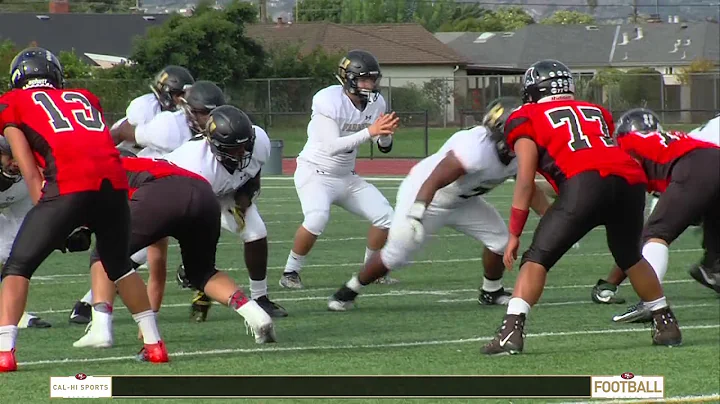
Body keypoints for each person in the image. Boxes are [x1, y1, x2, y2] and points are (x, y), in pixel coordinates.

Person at [480, 59, 682, 356]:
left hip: (585, 182)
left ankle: (510, 332)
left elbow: (525, 180)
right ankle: (666, 323)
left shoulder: (525, 116)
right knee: (630, 256)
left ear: (533, 90)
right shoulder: (595, 110)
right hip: (630, 181)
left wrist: (514, 233)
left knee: (536, 258)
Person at [0, 47, 167, 372]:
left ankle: (5, 351)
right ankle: (154, 344)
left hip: (68, 184)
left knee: (17, 266)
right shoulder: (85, 97)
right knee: (119, 265)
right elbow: (94, 144)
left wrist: (59, 221)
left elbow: (31, 172)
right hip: (115, 184)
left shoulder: (12, 103)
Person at [328, 97, 554, 310]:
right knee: (395, 254)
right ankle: (349, 291)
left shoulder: (522, 152)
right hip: (427, 194)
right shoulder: (476, 148)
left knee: (500, 242)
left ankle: (490, 291)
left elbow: (528, 188)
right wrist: (417, 212)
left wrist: (551, 218)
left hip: (462, 201)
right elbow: (435, 179)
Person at [74, 148, 275, 349]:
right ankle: (256, 315)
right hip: (205, 194)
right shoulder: (151, 169)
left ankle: (100, 328)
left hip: (162, 195)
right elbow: (157, 268)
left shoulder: (112, 172)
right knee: (202, 273)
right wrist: (148, 324)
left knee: (104, 253)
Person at [68, 80, 223, 325]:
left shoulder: (199, 129)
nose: (208, 119)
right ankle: (93, 307)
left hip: (179, 188)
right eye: (204, 113)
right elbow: (120, 133)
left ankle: (123, 315)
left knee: (148, 257)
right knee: (131, 253)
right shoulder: (167, 125)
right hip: (152, 189)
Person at [280, 50, 400, 290]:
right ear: (349, 79)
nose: (370, 84)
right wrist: (371, 132)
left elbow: (382, 145)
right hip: (315, 173)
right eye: (365, 79)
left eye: (373, 79)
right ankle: (290, 272)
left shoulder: (377, 103)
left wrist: (384, 136)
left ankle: (371, 270)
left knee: (387, 218)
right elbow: (332, 146)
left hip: (346, 176)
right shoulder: (328, 100)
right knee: (317, 218)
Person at [588, 109, 720, 323]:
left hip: (695, 168)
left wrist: (611, 282)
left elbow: (645, 232)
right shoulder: (672, 140)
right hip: (713, 157)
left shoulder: (628, 144)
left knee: (655, 235)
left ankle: (650, 303)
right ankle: (715, 270)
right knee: (713, 233)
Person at [164, 103, 287, 320]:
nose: (241, 153)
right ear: (215, 146)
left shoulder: (259, 142)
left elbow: (253, 171)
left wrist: (247, 195)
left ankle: (260, 298)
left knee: (256, 232)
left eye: (245, 146)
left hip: (221, 191)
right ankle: (91, 302)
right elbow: (197, 218)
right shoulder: (197, 165)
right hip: (176, 194)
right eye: (233, 148)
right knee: (140, 252)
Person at [0, 138, 54, 329]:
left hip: (17, 203)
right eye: (10, 156)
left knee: (14, 251)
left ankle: (13, 312)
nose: (15, 163)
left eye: (19, 156)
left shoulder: (27, 177)